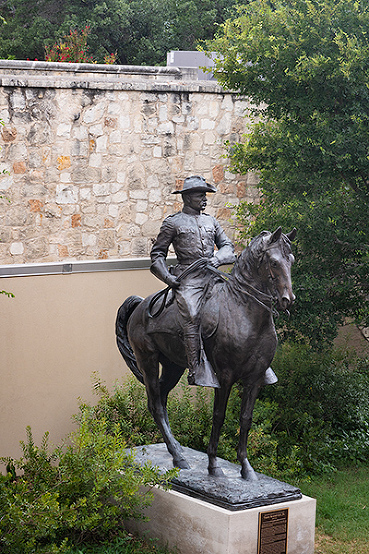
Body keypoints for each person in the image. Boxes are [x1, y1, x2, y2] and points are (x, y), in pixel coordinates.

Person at [150, 175, 236, 387]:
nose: (204, 199)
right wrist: (168, 278)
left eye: (205, 195)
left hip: (212, 275)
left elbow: (228, 246)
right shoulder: (173, 222)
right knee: (192, 312)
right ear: (187, 198)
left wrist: (217, 259)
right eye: (200, 195)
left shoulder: (211, 221)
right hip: (189, 279)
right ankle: (196, 369)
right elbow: (157, 255)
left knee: (239, 302)